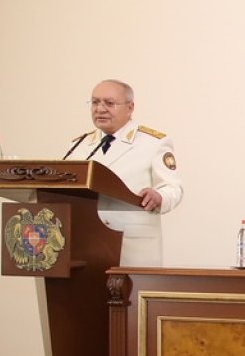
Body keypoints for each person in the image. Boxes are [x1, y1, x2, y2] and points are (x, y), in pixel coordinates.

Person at [64, 79, 183, 267]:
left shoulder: (153, 143)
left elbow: (174, 188)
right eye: (95, 102)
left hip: (132, 247)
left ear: (130, 108)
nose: (100, 109)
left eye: (109, 103)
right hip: (86, 245)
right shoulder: (78, 145)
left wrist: (159, 196)